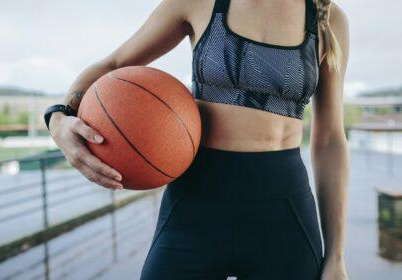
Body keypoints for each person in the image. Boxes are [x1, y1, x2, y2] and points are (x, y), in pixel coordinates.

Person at [45, 0, 350, 279]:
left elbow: (330, 141)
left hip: (284, 214)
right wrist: (58, 116)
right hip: (195, 205)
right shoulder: (199, 2)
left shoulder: (327, 19)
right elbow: (114, 65)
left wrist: (336, 255)